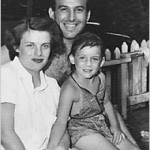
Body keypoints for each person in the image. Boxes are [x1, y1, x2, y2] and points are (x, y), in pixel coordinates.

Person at [1, 0, 138, 147]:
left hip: (70, 134)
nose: (71, 17)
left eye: (78, 10)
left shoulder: (85, 53)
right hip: (56, 135)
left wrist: (132, 142)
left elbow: (100, 100)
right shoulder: (35, 43)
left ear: (88, 15)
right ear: (52, 13)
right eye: (64, 9)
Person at [46, 32, 141, 150]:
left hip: (101, 124)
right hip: (80, 131)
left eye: (94, 59)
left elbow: (106, 103)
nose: (88, 64)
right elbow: (61, 121)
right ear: (72, 59)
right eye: (82, 58)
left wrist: (115, 127)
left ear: (101, 61)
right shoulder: (70, 89)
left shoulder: (101, 77)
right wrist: (50, 147)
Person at [1, 17, 70, 150]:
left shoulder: (52, 85)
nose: (38, 53)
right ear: (16, 47)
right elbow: (5, 134)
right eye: (30, 45)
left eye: (45, 46)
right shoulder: (6, 75)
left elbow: (62, 131)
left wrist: (58, 148)